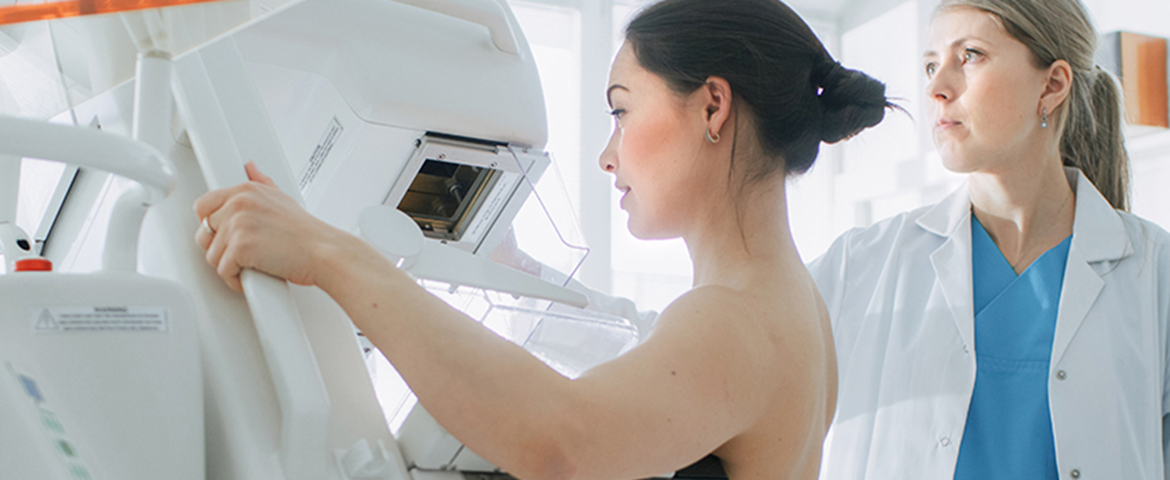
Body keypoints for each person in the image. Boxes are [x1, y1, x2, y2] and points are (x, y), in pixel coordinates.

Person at [193, 0, 892, 478]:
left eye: (622, 111)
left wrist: (329, 255)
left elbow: (561, 440)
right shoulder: (790, 308)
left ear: (713, 106)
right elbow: (653, 373)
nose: (608, 155)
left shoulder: (733, 321)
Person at [806, 0, 1170, 479]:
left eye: (970, 55)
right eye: (931, 65)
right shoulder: (862, 264)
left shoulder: (1154, 273)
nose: (936, 88)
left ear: (1053, 84)